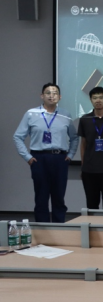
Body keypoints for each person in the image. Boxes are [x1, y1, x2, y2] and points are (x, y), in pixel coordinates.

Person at [13, 83, 79, 222]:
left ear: (60, 97)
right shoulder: (31, 113)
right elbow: (18, 136)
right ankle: (42, 230)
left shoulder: (66, 115)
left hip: (60, 158)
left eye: (55, 93)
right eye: (48, 93)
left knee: (59, 197)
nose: (51, 96)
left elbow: (74, 137)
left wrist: (71, 155)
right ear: (42, 96)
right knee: (41, 197)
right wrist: (27, 157)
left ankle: (59, 228)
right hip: (39, 158)